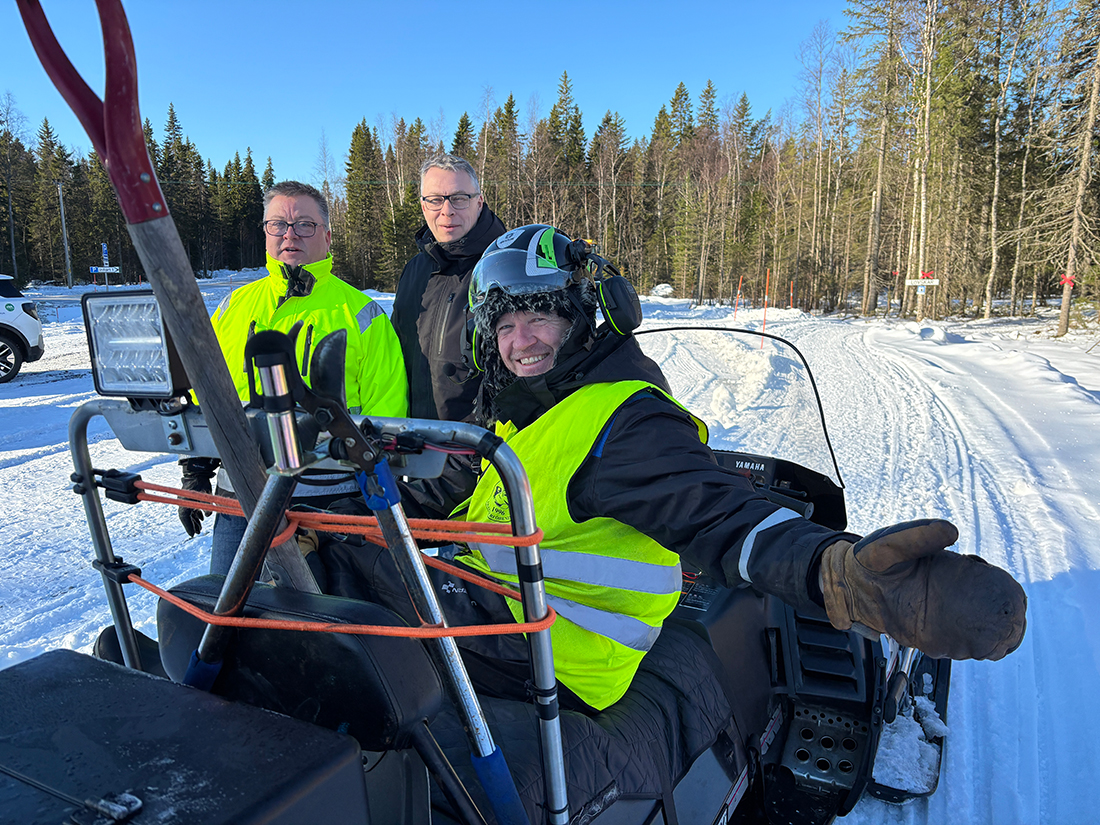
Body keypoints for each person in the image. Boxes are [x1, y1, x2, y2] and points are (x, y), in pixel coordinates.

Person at [318, 224, 1027, 715]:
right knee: (336, 573)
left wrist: (841, 574)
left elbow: (719, 514)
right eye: (504, 326)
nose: (520, 341)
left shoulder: (626, 419)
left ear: (581, 318)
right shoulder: (527, 414)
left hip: (554, 660)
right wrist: (352, 505)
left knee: (337, 599)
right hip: (503, 622)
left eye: (538, 317)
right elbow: (458, 493)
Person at [178, 180, 408, 575]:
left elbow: (388, 415)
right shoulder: (234, 306)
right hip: (242, 498)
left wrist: (369, 495)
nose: (290, 234)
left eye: (305, 224)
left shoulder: (362, 314)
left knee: (327, 628)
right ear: (265, 233)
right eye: (278, 224)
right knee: (231, 621)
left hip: (333, 504)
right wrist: (195, 469)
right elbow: (208, 395)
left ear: (327, 236)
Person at [391, 153, 505, 423]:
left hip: (479, 450)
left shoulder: (503, 268)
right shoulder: (414, 271)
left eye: (459, 198)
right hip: (414, 444)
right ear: (423, 206)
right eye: (435, 200)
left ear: (479, 202)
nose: (447, 211)